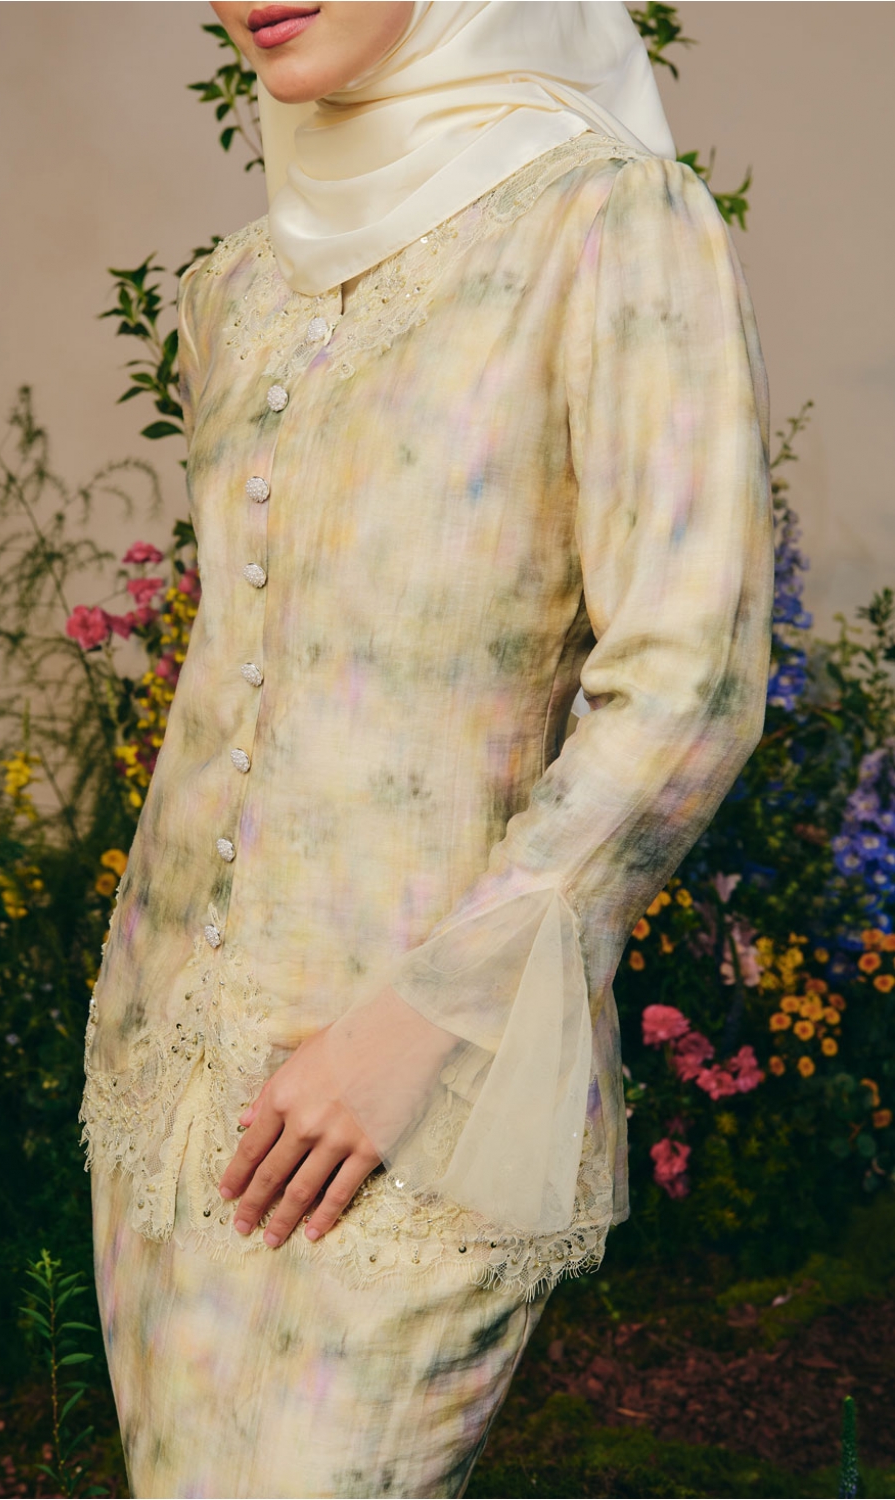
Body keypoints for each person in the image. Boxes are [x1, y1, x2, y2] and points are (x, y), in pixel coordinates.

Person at [79, 3, 774, 1496]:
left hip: (423, 1090)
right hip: (169, 1093)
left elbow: (688, 688)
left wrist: (418, 1027)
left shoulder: (611, 227)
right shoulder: (237, 285)